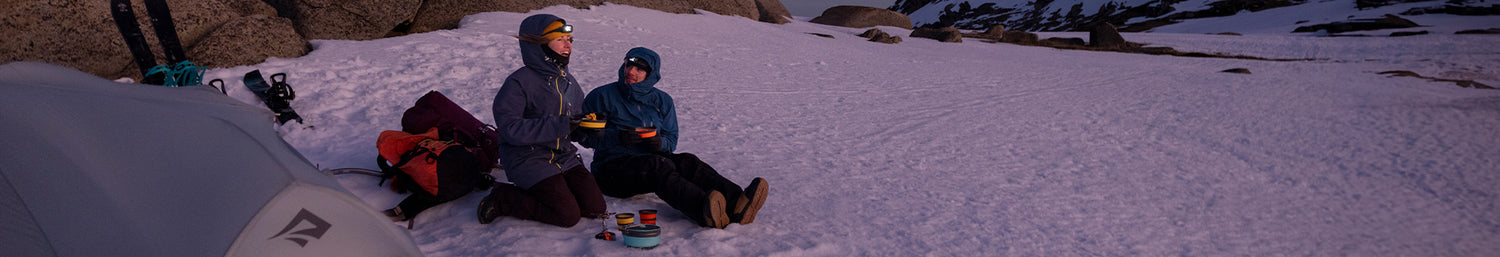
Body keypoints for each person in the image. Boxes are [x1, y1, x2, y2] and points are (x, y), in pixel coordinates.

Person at [579, 47, 769, 229]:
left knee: (687, 161)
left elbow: (671, 139)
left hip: (648, 159)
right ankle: (704, 210)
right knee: (658, 166)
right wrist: (617, 138)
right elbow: (582, 135)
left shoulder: (662, 101)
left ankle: (737, 203)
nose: (631, 71)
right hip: (610, 170)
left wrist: (659, 143)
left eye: (639, 68)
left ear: (651, 74)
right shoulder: (601, 96)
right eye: (629, 65)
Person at [477, 14, 606, 228]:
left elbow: (574, 126)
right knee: (567, 215)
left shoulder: (569, 82)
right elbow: (510, 129)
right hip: (527, 158)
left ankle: (555, 188)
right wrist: (562, 124)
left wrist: (589, 130)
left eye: (570, 40)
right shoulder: (518, 82)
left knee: (595, 208)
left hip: (563, 157)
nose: (568, 46)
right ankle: (503, 198)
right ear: (539, 45)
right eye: (560, 40)